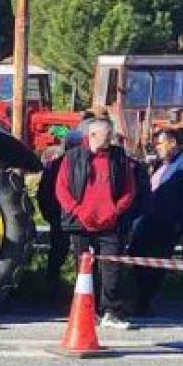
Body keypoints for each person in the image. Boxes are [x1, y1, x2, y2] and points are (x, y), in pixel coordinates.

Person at [55, 116, 137, 329]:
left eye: (111, 136)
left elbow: (129, 189)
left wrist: (115, 210)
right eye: (106, 136)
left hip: (110, 223)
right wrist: (77, 210)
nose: (110, 140)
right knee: (83, 269)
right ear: (92, 136)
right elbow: (61, 189)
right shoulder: (72, 158)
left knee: (112, 268)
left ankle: (111, 311)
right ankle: (87, 311)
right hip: (80, 223)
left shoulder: (120, 159)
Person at [128, 128, 183, 314]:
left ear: (172, 143)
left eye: (160, 144)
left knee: (155, 263)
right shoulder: (162, 164)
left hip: (166, 222)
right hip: (149, 219)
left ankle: (145, 301)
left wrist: (181, 222)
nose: (157, 148)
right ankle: (139, 297)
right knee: (138, 255)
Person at [36, 131, 82, 297]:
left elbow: (42, 194)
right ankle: (54, 284)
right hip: (62, 216)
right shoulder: (55, 167)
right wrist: (52, 216)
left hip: (69, 217)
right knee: (61, 252)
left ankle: (61, 285)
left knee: (67, 253)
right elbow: (44, 193)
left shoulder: (57, 166)